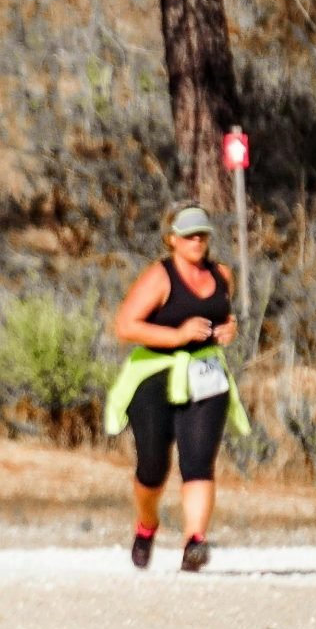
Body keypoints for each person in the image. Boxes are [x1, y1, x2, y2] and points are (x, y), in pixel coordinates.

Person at [102, 205, 250, 572]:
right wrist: (177, 335)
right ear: (171, 240)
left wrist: (229, 329)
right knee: (153, 466)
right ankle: (146, 524)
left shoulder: (222, 274)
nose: (197, 241)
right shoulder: (159, 277)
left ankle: (194, 541)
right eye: (188, 235)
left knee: (199, 461)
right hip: (156, 375)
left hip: (206, 375)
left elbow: (225, 316)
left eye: (202, 234)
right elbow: (125, 326)